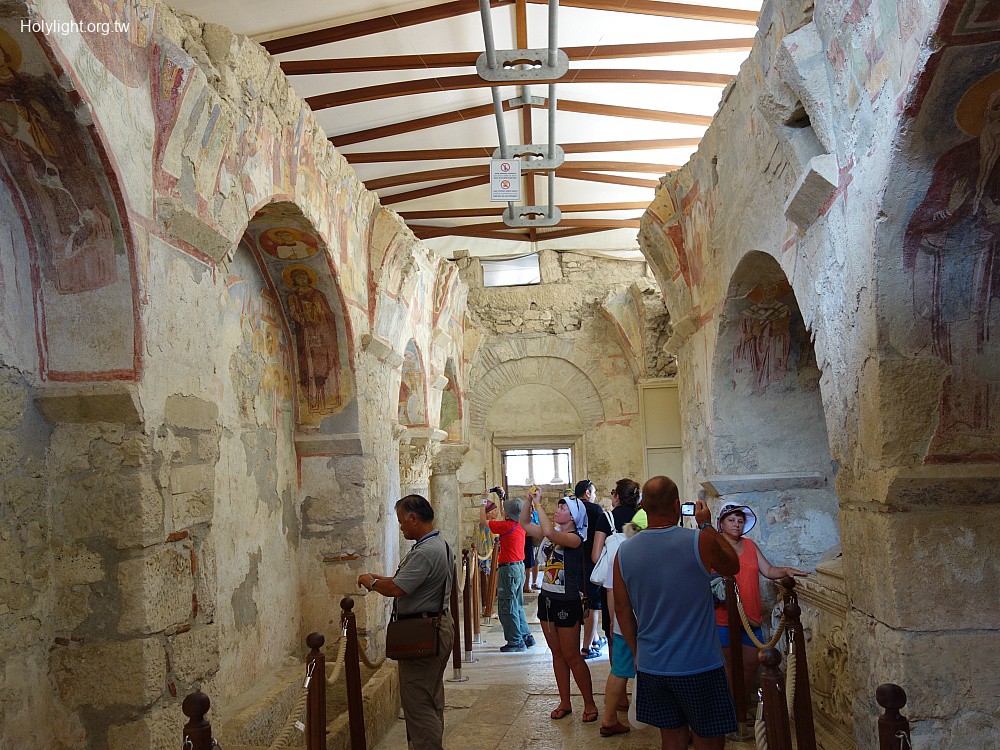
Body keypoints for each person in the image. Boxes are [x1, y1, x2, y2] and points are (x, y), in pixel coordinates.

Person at [614, 476, 741, 750]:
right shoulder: (698, 541)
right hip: (699, 663)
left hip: (652, 663)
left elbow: (622, 611)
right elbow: (732, 565)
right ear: (676, 506)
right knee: (709, 738)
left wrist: (637, 653)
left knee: (671, 738)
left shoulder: (624, 552)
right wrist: (707, 525)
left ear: (643, 507)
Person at [357, 495, 454, 750]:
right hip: (436, 626)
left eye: (402, 521)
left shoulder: (425, 552)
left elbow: (398, 589)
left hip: (424, 632)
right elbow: (411, 582)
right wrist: (382, 579)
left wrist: (372, 583)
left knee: (418, 704)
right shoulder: (438, 544)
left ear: (414, 518)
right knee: (429, 697)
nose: (401, 527)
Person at [714, 502, 809, 705]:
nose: (736, 524)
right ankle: (731, 710)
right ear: (721, 523)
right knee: (728, 666)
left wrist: (785, 570)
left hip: (750, 617)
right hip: (723, 617)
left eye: (740, 521)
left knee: (751, 664)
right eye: (731, 520)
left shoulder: (749, 545)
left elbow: (768, 570)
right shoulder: (715, 547)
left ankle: (742, 704)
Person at [520, 488, 600, 723]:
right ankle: (565, 701)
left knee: (572, 655)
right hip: (547, 598)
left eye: (563, 507)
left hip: (567, 600)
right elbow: (524, 523)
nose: (558, 509)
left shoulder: (576, 538)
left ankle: (589, 703)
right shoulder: (552, 533)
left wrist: (538, 504)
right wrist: (528, 501)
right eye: (558, 506)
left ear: (574, 516)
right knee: (557, 653)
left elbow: (548, 531)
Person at [599, 510, 647, 736]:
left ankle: (609, 718)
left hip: (622, 622)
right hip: (644, 622)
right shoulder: (648, 553)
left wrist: (612, 620)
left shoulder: (619, 550)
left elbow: (611, 590)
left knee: (619, 669)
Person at [480, 491, 534, 652]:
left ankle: (515, 641)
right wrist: (501, 498)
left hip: (509, 570)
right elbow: (506, 514)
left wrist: (483, 501)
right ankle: (526, 635)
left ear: (508, 514)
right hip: (519, 568)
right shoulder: (520, 525)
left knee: (507, 606)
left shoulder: (506, 526)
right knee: (517, 604)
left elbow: (483, 521)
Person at [591, 478, 641, 646]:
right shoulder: (642, 518)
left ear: (617, 497)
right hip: (639, 584)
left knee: (614, 636)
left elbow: (596, 556)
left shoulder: (606, 518)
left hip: (613, 585)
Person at [573, 479, 605, 658]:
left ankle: (594, 639)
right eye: (594, 492)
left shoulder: (571, 508)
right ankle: (587, 648)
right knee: (591, 605)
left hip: (573, 561)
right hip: (590, 562)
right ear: (587, 493)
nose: (595, 495)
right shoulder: (594, 510)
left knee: (581, 602)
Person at [523, 502, 541, 593]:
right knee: (528, 564)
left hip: (536, 541)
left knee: (536, 562)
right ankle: (526, 585)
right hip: (528, 541)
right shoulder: (524, 517)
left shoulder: (536, 514)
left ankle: (534, 582)